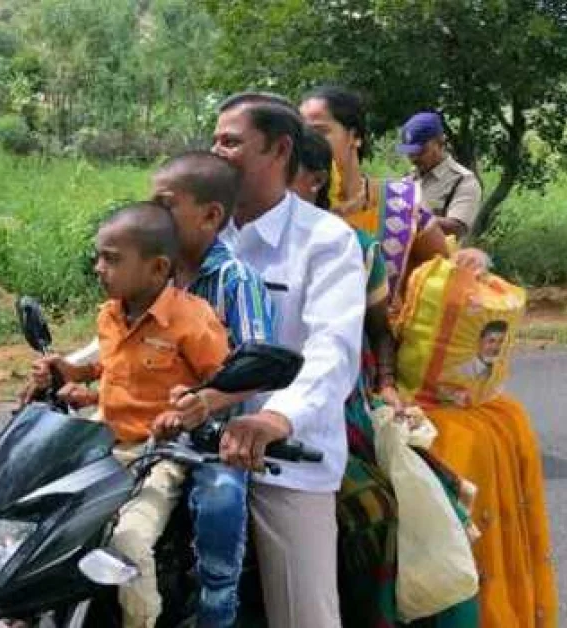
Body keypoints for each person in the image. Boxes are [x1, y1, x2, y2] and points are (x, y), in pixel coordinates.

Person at [300, 86, 558, 628]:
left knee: (447, 465)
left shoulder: (398, 207)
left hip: (387, 369)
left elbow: (448, 269)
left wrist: (471, 260)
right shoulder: (285, 206)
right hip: (311, 374)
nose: (307, 140)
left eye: (320, 130)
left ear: (355, 137)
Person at [28, 152, 275, 627]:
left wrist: (195, 407)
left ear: (210, 216)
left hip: (203, 436)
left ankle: (214, 607)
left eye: (165, 204)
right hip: (118, 437)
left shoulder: (231, 281)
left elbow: (249, 370)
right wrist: (75, 376)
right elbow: (120, 359)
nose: (153, 212)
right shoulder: (131, 290)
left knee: (219, 506)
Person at [212, 92, 366, 628]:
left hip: (283, 460)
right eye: (214, 140)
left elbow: (333, 348)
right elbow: (151, 311)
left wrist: (277, 418)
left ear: (279, 150)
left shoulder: (325, 240)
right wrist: (80, 366)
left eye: (231, 142)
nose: (217, 152)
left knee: (305, 615)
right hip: (190, 445)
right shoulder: (200, 227)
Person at [397, 112, 483, 240]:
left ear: (441, 143)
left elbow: (456, 228)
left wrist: (416, 218)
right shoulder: (408, 179)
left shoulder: (463, 181)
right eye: (410, 152)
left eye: (421, 151)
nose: (414, 158)